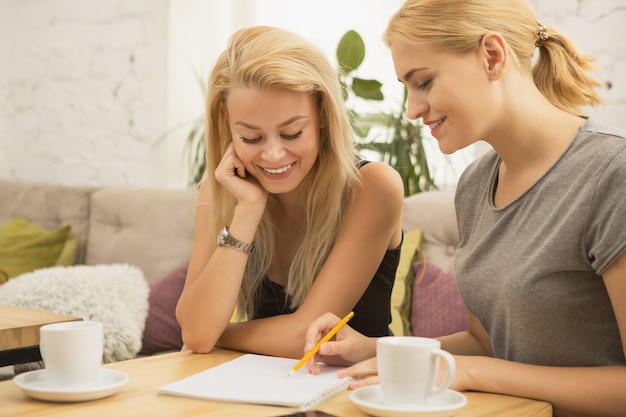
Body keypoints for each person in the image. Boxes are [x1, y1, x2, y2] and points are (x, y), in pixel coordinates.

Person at [303, 1, 626, 416]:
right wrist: (375, 349)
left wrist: (475, 373)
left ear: (493, 56)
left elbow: (481, 364)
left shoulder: (611, 173)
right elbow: (486, 342)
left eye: (423, 82)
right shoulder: (476, 184)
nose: (412, 109)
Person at [175, 26, 405, 359]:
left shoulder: (372, 187)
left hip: (357, 393)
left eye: (292, 133)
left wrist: (218, 335)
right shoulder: (221, 191)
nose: (272, 156)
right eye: (251, 138)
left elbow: (307, 336)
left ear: (323, 115)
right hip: (260, 389)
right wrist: (248, 209)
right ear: (227, 121)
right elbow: (197, 333)